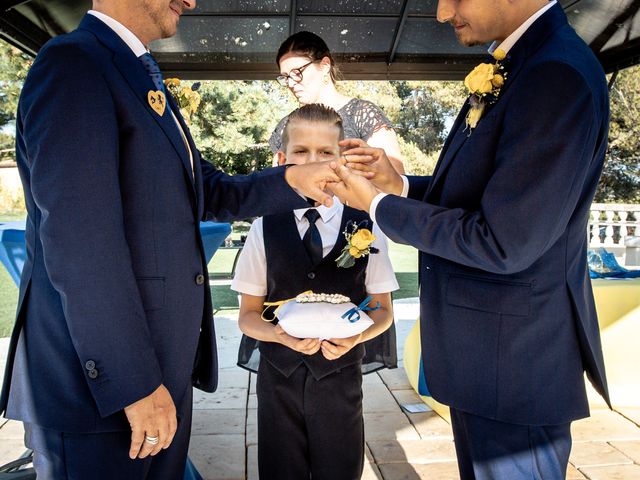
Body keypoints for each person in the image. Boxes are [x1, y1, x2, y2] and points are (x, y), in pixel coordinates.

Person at [0, 1, 339, 478]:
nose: (193, 0)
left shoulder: (140, 75)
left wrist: (298, 181)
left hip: (159, 372)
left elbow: (208, 191)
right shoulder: (73, 64)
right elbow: (81, 247)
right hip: (105, 392)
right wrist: (134, 385)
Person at [330, 1, 610, 478]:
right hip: (492, 360)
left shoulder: (554, 75)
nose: (441, 13)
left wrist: (378, 206)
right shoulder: (523, 64)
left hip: (514, 363)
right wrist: (396, 185)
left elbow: (503, 241)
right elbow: (481, 195)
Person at [231, 104, 398, 479]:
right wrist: (276, 334)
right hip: (279, 381)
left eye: (326, 152)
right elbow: (247, 315)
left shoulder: (366, 224)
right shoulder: (265, 226)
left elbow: (381, 310)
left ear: (343, 159)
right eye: (300, 152)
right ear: (282, 158)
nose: (313, 162)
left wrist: (359, 335)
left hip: (340, 382)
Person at [271, 30, 405, 174]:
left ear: (325, 66)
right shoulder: (285, 125)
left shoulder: (363, 115)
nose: (290, 83)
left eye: (297, 73)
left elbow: (396, 181)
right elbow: (276, 184)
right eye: (285, 77)